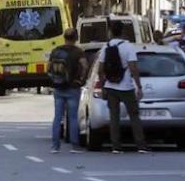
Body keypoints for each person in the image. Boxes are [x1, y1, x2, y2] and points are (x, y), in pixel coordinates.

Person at [98, 20, 149, 154]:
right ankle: (141, 145)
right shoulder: (128, 47)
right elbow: (133, 68)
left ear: (111, 32)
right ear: (123, 32)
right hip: (126, 87)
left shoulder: (106, 46)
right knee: (134, 115)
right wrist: (139, 86)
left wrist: (103, 86)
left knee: (114, 117)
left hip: (110, 86)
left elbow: (100, 69)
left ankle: (116, 146)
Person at [48, 28, 88, 153]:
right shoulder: (78, 52)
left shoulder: (55, 51)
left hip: (58, 88)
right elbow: (85, 66)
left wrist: (54, 80)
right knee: (73, 117)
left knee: (57, 117)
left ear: (64, 37)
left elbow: (48, 68)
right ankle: (74, 146)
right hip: (73, 88)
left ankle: (55, 146)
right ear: (75, 38)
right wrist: (81, 80)